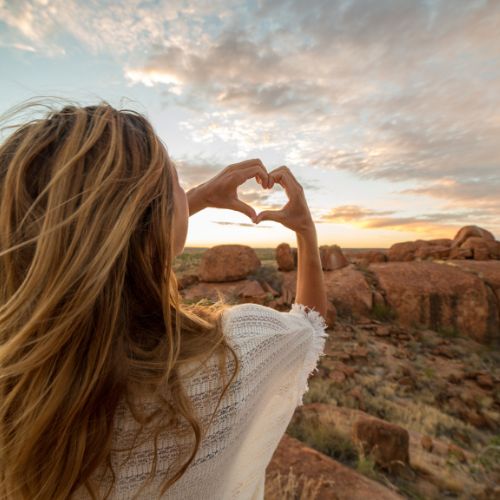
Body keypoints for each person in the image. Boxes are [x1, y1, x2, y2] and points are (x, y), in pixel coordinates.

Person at [0, 99, 328, 500]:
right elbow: (311, 324)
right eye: (174, 178)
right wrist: (306, 232)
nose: (183, 189)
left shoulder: (15, 372)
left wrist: (193, 199)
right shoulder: (230, 358)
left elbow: (107, 242)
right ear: (155, 218)